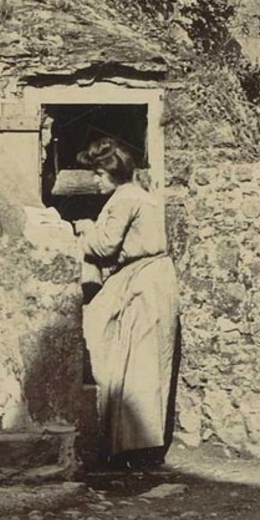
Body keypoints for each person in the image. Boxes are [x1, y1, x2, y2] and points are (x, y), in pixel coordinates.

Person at [74, 137, 181, 469]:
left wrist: (84, 229)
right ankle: (136, 445)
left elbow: (104, 247)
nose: (95, 181)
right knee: (142, 362)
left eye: (97, 174)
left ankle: (134, 449)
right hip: (154, 279)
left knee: (134, 363)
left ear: (111, 173)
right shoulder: (143, 197)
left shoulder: (125, 200)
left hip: (142, 283)